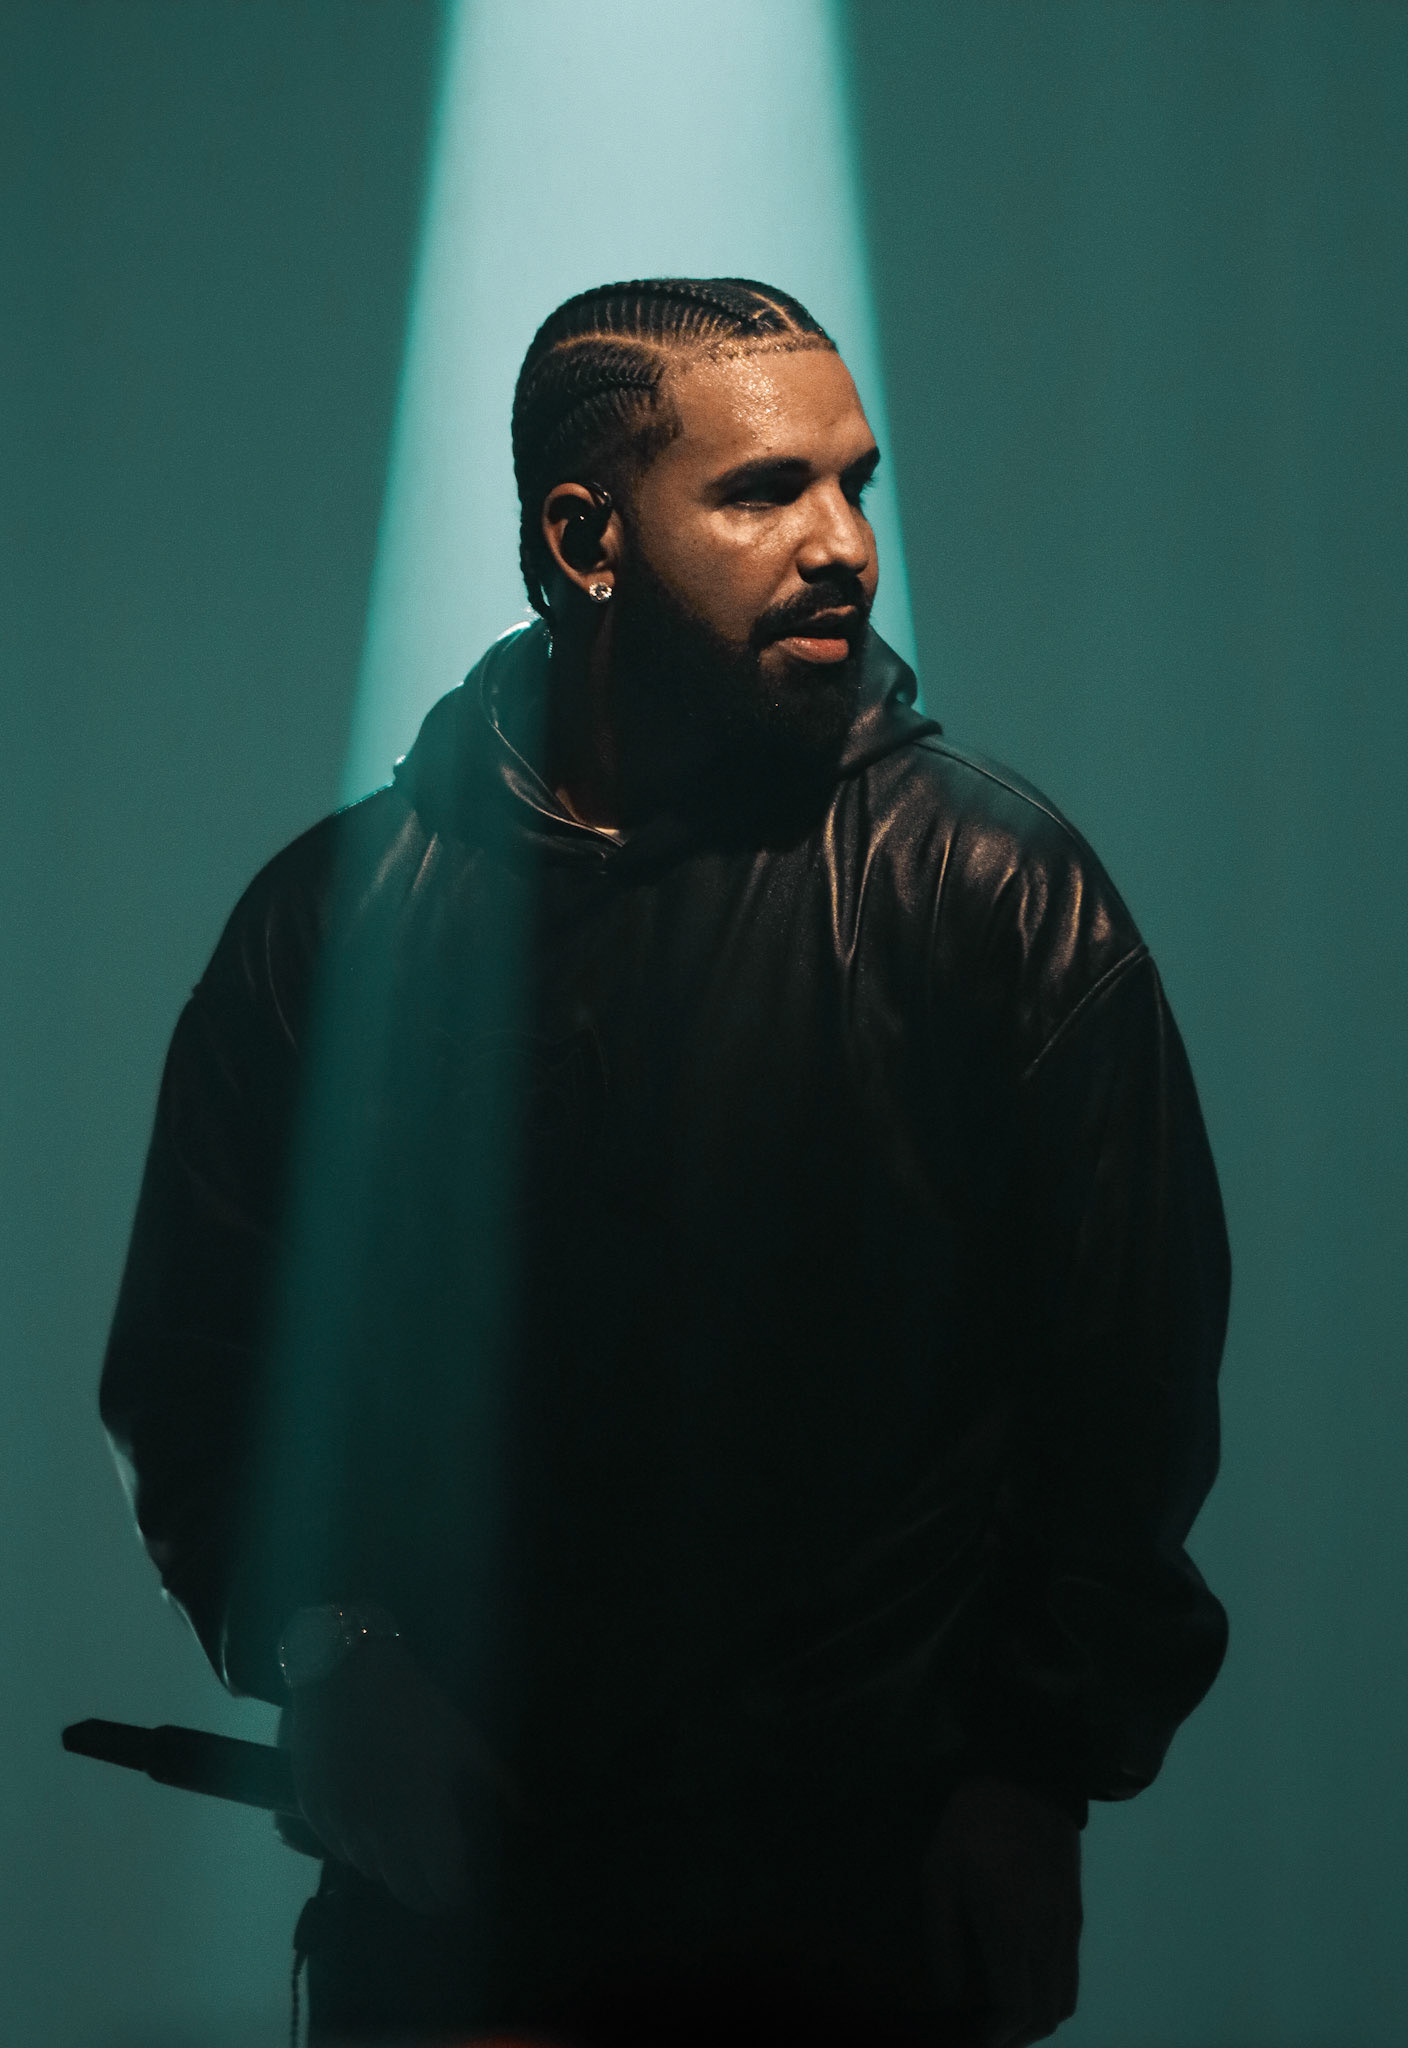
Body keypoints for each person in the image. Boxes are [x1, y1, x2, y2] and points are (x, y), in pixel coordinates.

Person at [100, 277, 1230, 2047]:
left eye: (854, 482)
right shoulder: (334, 924)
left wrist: (1034, 1779)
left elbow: (1124, 1394)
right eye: (767, 490)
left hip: (862, 1924)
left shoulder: (997, 894)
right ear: (585, 538)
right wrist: (331, 1652)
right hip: (448, 1926)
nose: (841, 543)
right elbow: (195, 1373)